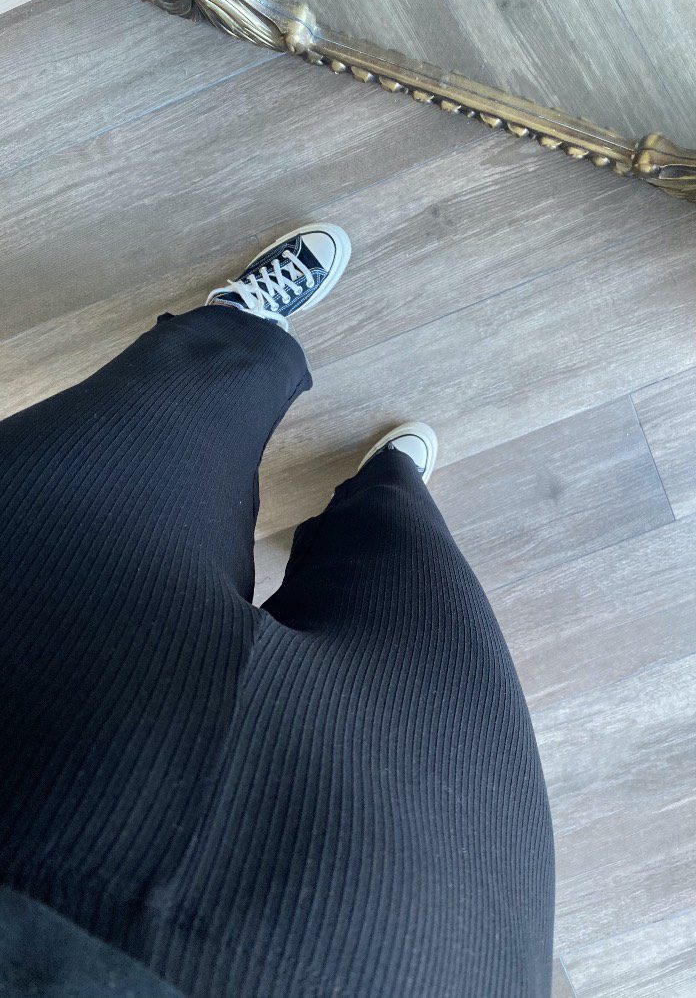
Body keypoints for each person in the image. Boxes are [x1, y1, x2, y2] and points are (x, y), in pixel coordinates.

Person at [0, 225, 554, 997]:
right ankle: (386, 494)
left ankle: (239, 335)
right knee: (426, 609)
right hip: (392, 937)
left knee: (128, 440)